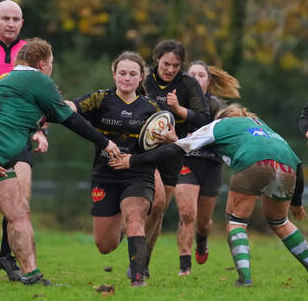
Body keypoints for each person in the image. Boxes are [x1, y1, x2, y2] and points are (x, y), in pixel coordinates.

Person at [109, 103, 308, 287]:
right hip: (288, 165)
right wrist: (297, 202)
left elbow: (177, 150)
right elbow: (297, 163)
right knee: (280, 222)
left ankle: (245, 278)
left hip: (254, 161)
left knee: (237, 221)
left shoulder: (218, 125)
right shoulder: (261, 126)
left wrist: (134, 161)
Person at [0, 37, 120, 285]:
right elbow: (70, 119)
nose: (51, 70)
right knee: (19, 214)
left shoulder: (9, 80)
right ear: (42, 64)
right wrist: (105, 142)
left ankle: (32, 277)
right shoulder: (38, 79)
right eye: (51, 64)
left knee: (18, 213)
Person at [66, 51, 163, 287]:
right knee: (104, 245)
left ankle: (138, 279)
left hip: (138, 175)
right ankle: (121, 225)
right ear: (114, 74)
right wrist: (61, 105)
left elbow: (165, 146)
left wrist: (168, 139)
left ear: (141, 77)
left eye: (132, 74)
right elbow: (73, 107)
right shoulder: (100, 99)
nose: (126, 78)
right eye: (122, 73)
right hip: (105, 176)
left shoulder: (152, 107)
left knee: (134, 217)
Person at [0, 0, 48, 281]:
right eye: (6, 18)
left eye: (16, 19)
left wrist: (40, 130)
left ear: (22, 23)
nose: (11, 24)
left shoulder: (30, 53)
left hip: (18, 137)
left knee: (21, 197)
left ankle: (7, 257)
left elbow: (41, 97)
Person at [141, 40, 210, 277]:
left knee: (159, 211)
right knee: (156, 201)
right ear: (156, 60)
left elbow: (203, 119)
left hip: (173, 153)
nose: (170, 69)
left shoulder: (188, 84)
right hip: (145, 152)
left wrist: (180, 111)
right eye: (166, 64)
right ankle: (137, 258)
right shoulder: (144, 80)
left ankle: (143, 263)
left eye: (176, 65)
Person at [175, 61, 241, 275]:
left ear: (208, 81)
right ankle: (184, 267)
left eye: (200, 75)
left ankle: (202, 241)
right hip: (185, 164)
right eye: (191, 74)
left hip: (211, 167)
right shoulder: (176, 104)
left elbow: (228, 130)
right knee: (187, 214)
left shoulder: (216, 106)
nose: (195, 78)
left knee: (203, 222)